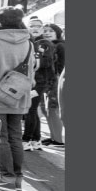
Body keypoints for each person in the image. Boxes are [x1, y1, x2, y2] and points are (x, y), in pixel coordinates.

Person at [0, 7, 36, 191]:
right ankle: (18, 177)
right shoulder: (28, 42)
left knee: (0, 137)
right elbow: (32, 69)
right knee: (15, 136)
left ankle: (6, 177)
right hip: (19, 96)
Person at [22, 17, 56, 151]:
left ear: (41, 28)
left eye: (38, 26)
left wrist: (35, 60)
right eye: (32, 26)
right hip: (29, 81)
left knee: (30, 109)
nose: (35, 28)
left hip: (40, 82)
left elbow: (47, 63)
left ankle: (27, 139)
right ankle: (36, 140)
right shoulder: (27, 41)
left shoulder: (45, 43)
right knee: (33, 110)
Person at [41, 23, 65, 146]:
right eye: (45, 30)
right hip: (48, 81)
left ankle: (58, 140)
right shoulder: (47, 45)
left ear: (57, 32)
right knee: (47, 110)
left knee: (53, 109)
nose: (47, 32)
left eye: (50, 30)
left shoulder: (60, 46)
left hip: (55, 81)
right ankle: (53, 137)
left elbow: (62, 67)